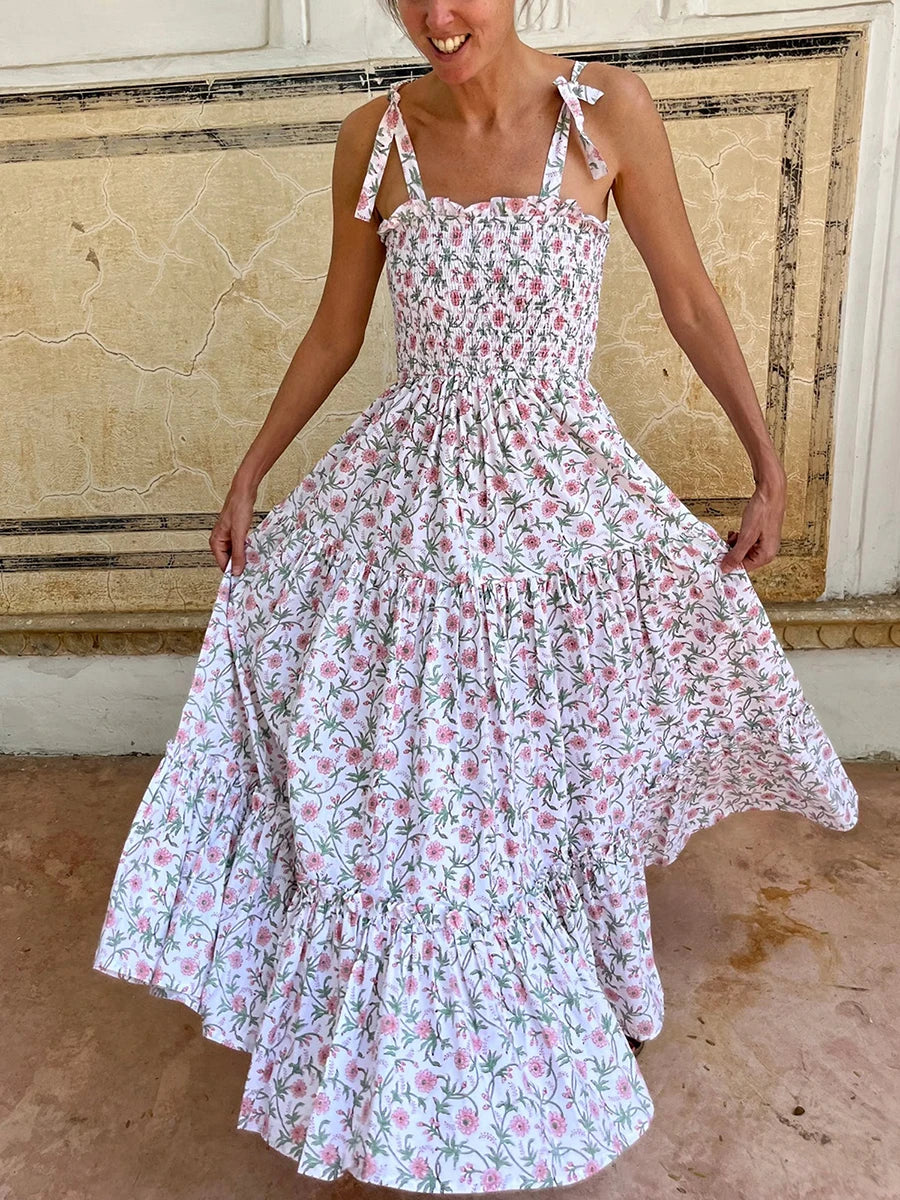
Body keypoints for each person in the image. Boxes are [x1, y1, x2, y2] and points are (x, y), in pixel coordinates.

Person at [93, 1, 859, 1192]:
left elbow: (692, 297)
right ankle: (400, 1061)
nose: (435, 14)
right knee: (418, 787)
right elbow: (339, 328)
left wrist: (769, 466)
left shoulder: (608, 111)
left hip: (557, 492)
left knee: (550, 767)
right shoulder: (374, 135)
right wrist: (253, 470)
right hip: (411, 488)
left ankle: (580, 983)